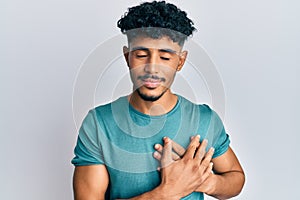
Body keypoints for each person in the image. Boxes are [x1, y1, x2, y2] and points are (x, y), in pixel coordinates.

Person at [71, 1, 245, 199]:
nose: (152, 68)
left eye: (165, 57)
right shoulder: (99, 123)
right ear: (127, 57)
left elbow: (235, 178)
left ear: (180, 61)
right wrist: (168, 192)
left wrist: (205, 181)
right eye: (142, 55)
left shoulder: (204, 118)